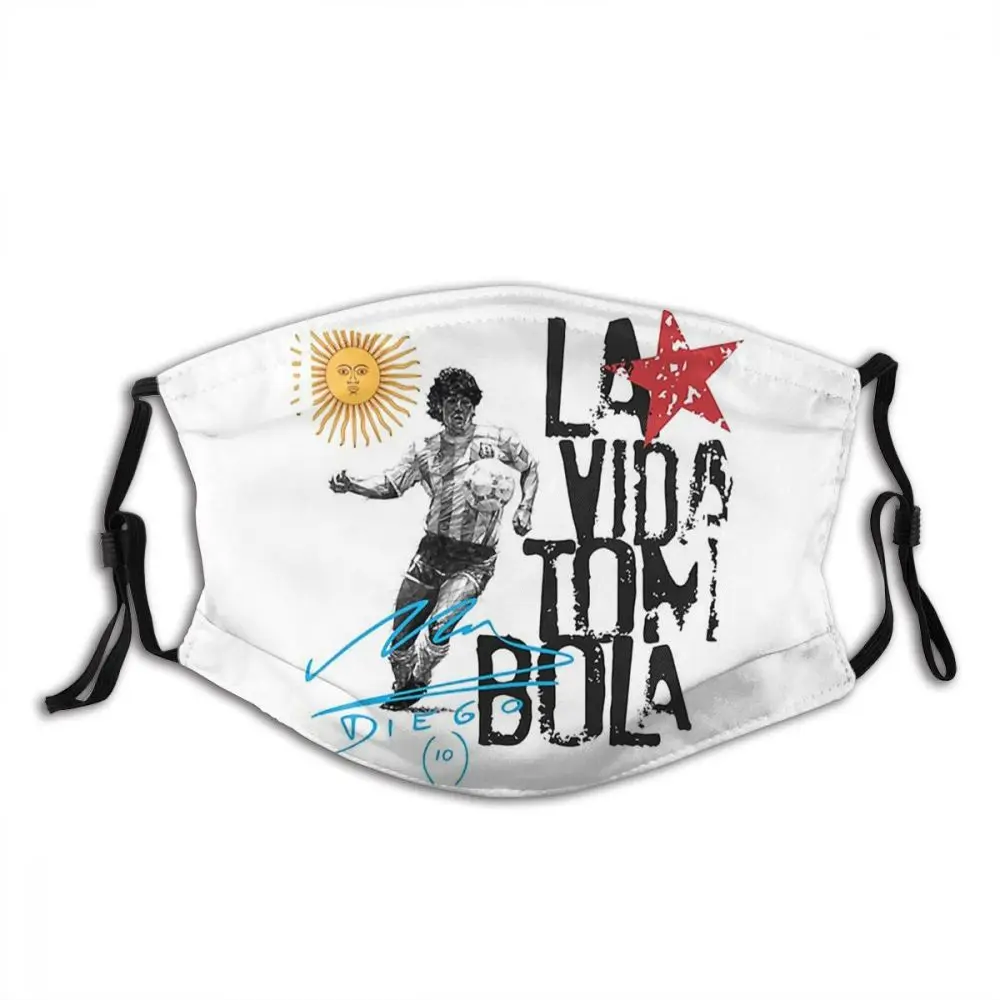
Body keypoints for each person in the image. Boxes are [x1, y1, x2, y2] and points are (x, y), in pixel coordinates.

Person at [329, 367, 539, 706]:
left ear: (474, 406)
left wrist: (525, 507)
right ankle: (404, 685)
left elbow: (530, 467)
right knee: (401, 638)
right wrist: (353, 485)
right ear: (438, 406)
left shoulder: (499, 441)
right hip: (431, 553)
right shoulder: (424, 450)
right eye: (451, 402)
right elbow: (391, 484)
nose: (459, 409)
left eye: (466, 402)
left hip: (474, 559)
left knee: (440, 626)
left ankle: (422, 677)